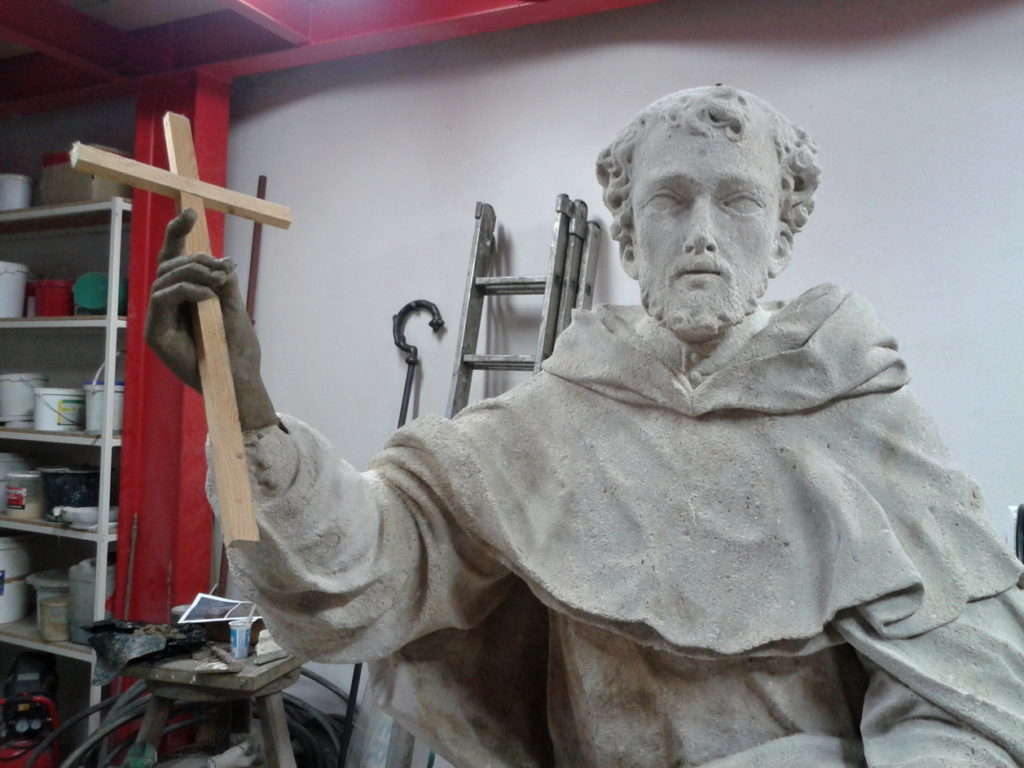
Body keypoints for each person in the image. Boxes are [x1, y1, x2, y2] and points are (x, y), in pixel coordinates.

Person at [146, 86, 1024, 767]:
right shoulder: (557, 414)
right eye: (671, 201)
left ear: (782, 235)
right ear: (630, 235)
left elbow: (966, 711)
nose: (703, 234)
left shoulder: (863, 420)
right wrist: (245, 406)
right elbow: (377, 557)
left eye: (738, 202)